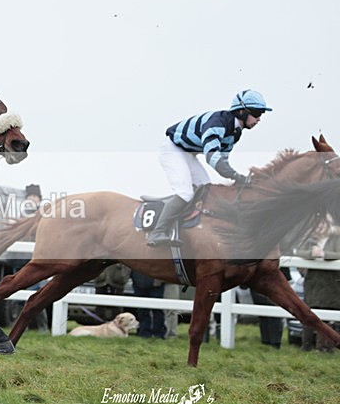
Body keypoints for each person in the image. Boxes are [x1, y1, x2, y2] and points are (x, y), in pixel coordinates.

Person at [147, 90, 272, 247]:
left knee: (206, 190)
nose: (259, 119)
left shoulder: (235, 133)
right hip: (172, 150)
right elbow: (213, 158)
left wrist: (236, 178)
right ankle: (157, 232)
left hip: (187, 154)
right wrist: (237, 176)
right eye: (256, 113)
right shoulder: (218, 123)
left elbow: (223, 161)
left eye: (260, 114)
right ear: (241, 111)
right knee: (185, 193)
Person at [295, 220, 340, 353]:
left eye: (322, 223)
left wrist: (324, 255)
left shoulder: (336, 238)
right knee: (308, 314)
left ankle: (326, 348)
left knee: (327, 315)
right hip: (313, 283)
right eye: (316, 224)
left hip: (332, 284)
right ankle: (307, 347)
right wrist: (311, 255)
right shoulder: (308, 240)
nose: (319, 227)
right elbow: (299, 253)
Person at [130, 270, 167, 338]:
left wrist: (159, 279)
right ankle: (144, 333)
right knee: (142, 310)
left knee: (157, 310)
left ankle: (158, 334)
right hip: (138, 282)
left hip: (156, 284)